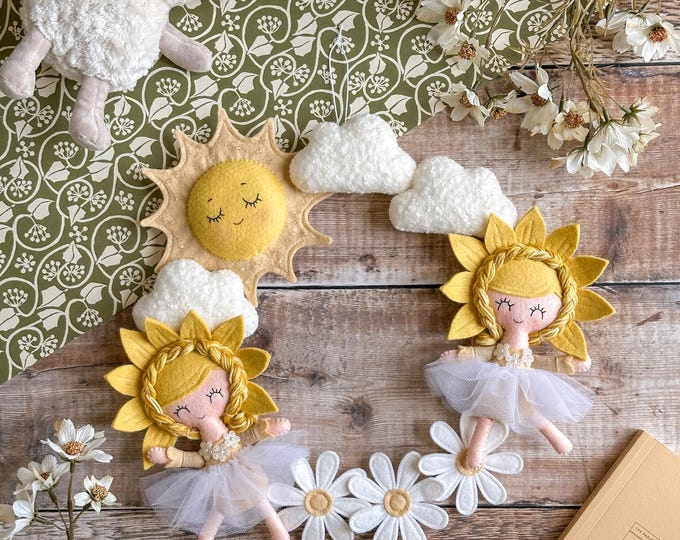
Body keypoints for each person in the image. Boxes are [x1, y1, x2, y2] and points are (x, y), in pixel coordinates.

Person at [427, 207, 614, 469]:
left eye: (538, 311)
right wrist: (461, 355)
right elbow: (484, 353)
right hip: (495, 378)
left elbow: (541, 362)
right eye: (504, 303)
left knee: (528, 411)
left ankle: (553, 436)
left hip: (523, 380)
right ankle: (476, 451)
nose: (518, 315)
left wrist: (568, 363)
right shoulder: (498, 337)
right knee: (488, 413)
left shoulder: (530, 344)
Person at [107, 313, 306, 540]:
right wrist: (171, 456)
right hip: (215, 479)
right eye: (181, 410)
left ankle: (278, 532)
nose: (200, 410)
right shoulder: (201, 442)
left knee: (260, 499)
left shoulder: (229, 431)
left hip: (245, 469)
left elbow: (246, 437)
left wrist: (267, 428)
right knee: (219, 507)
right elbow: (195, 459)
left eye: (213, 393)